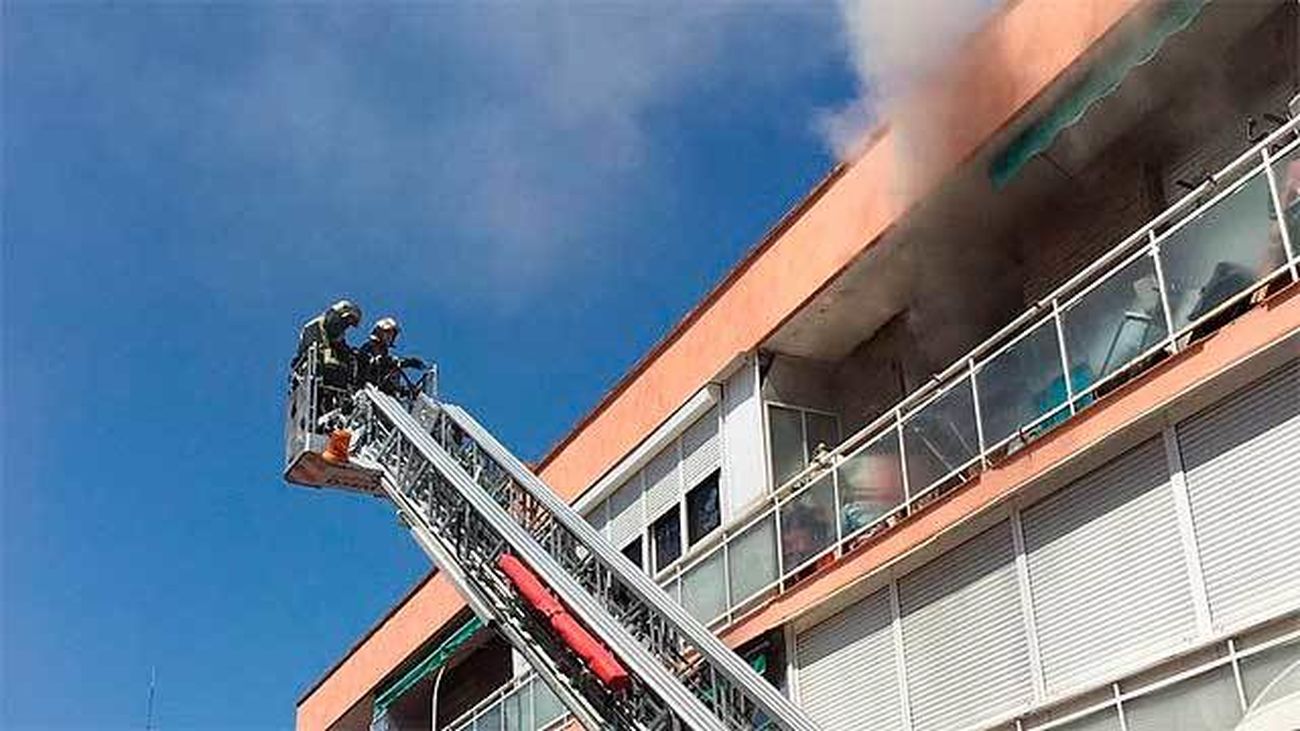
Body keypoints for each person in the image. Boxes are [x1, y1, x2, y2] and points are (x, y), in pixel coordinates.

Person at [293, 299, 363, 412]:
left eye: (348, 324)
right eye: (345, 321)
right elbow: (317, 351)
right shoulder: (314, 326)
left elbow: (344, 352)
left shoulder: (337, 336)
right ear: (336, 315)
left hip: (331, 379)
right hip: (312, 375)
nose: (345, 327)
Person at [357, 316, 426, 398]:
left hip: (380, 391)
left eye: (392, 335)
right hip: (368, 388)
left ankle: (403, 392)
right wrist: (405, 362)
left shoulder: (383, 351)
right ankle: (400, 392)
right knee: (392, 367)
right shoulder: (370, 346)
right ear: (379, 332)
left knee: (394, 371)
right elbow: (371, 363)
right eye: (387, 333)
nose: (389, 337)